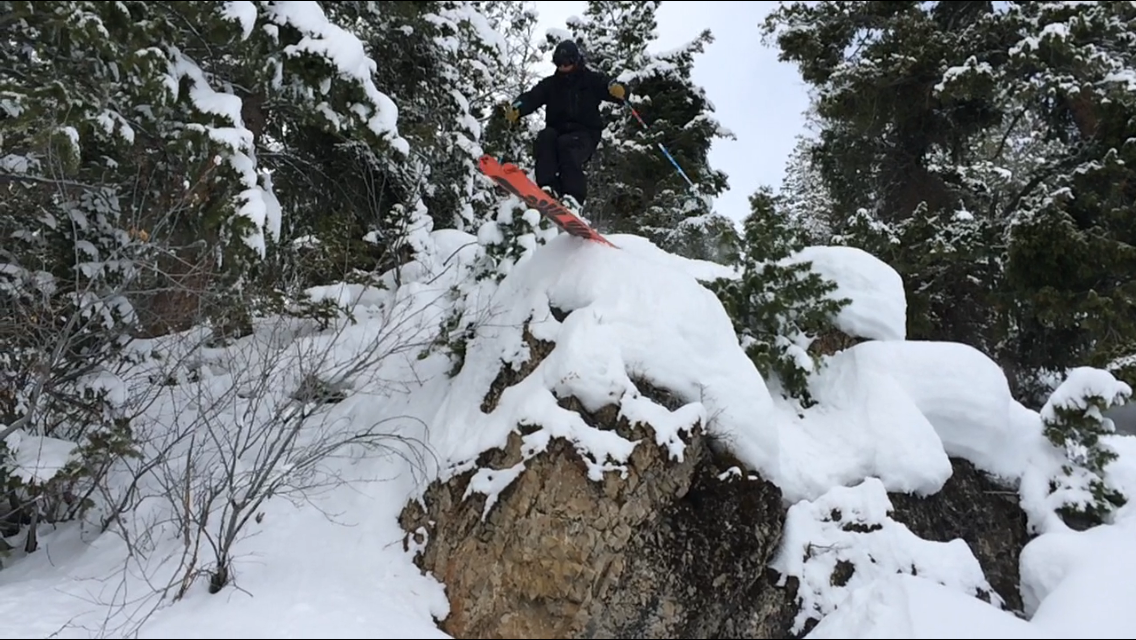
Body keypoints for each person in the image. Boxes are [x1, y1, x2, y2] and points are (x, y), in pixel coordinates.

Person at [502, 40, 629, 209]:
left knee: (567, 147)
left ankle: (573, 198)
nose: (562, 66)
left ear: (575, 61)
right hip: (558, 130)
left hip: (585, 133)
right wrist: (517, 108)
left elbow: (612, 87)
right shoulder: (551, 84)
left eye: (566, 62)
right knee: (545, 137)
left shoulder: (590, 80)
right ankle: (548, 188)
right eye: (558, 63)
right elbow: (532, 97)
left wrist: (620, 90)